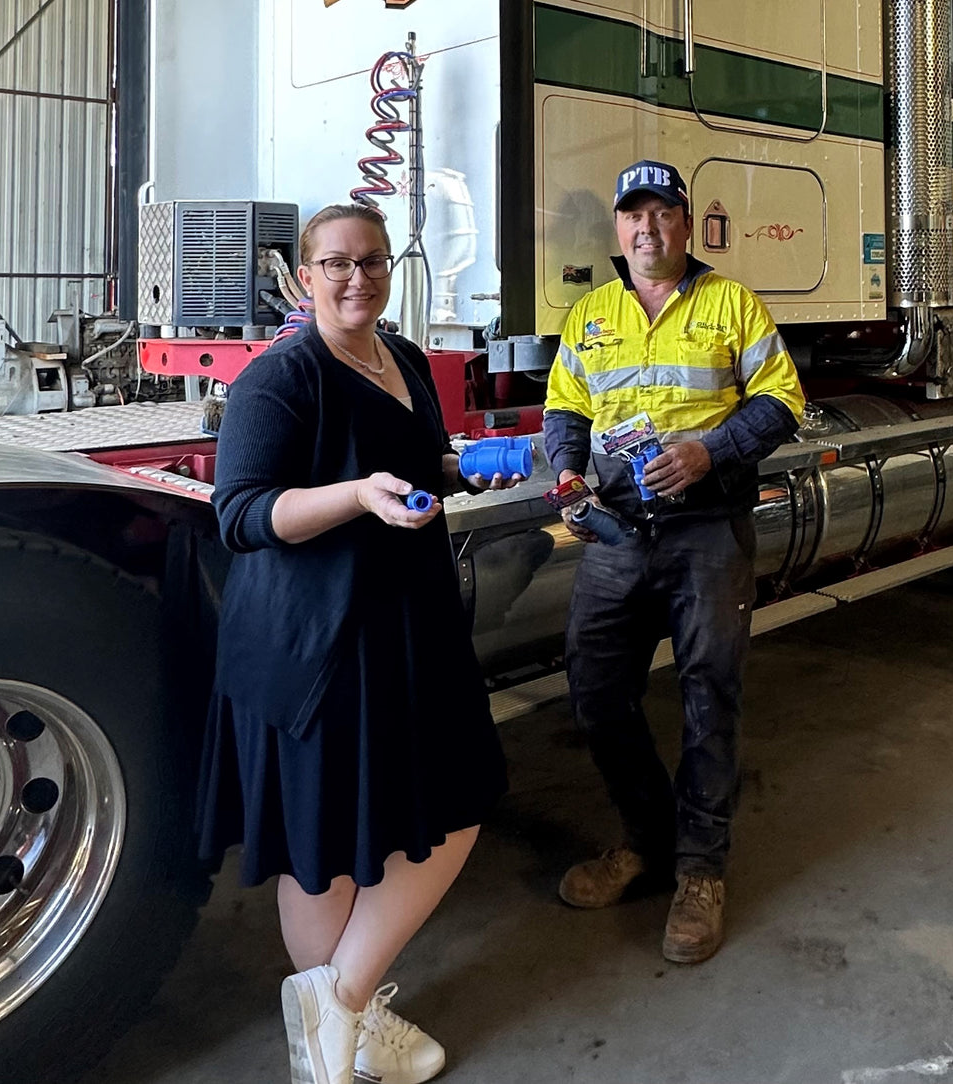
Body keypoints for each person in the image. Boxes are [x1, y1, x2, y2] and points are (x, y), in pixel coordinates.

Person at [200, 203, 517, 1084]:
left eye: (372, 261)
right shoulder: (280, 377)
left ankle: (334, 1005)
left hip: (406, 628)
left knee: (459, 798)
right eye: (336, 264)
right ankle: (346, 1028)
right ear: (306, 278)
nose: (357, 278)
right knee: (325, 847)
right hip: (313, 648)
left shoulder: (403, 359)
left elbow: (420, 463)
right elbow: (241, 514)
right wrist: (355, 495)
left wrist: (471, 465)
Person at [543, 159, 806, 964]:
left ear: (687, 224)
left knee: (707, 698)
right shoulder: (590, 313)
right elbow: (566, 408)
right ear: (618, 227)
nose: (647, 228)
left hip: (706, 529)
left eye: (662, 213)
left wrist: (708, 451)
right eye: (634, 215)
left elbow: (782, 402)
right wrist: (568, 476)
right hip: (617, 533)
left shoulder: (731, 303)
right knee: (595, 689)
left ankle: (699, 872)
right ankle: (647, 840)